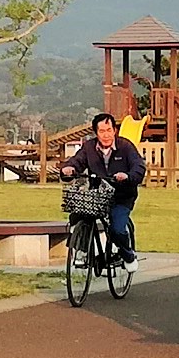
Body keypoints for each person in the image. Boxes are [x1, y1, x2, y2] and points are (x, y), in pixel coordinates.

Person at [68, 111, 144, 266]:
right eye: (102, 131)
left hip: (122, 196)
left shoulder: (126, 146)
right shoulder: (89, 147)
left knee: (117, 229)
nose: (106, 135)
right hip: (98, 195)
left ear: (114, 130)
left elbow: (139, 167)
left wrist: (127, 176)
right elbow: (77, 161)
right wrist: (68, 168)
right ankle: (82, 250)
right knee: (78, 215)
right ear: (96, 133)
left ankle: (128, 256)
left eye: (109, 130)